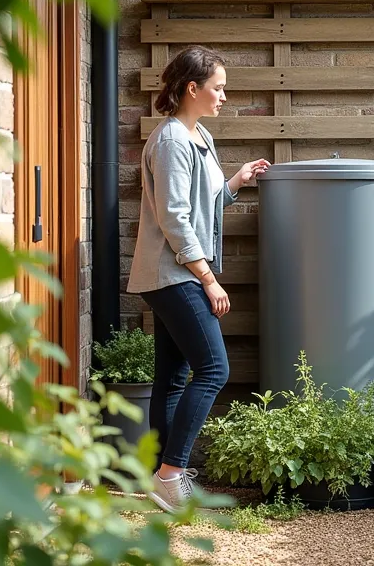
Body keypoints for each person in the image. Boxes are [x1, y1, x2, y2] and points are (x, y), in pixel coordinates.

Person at [127, 45, 270, 512]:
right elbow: (174, 218)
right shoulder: (171, 140)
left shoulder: (198, 136)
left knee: (173, 376)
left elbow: (200, 207)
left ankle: (162, 476)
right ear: (193, 88)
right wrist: (208, 279)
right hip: (174, 274)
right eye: (218, 87)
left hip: (176, 272)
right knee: (214, 369)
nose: (224, 96)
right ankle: (172, 473)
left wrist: (235, 183)